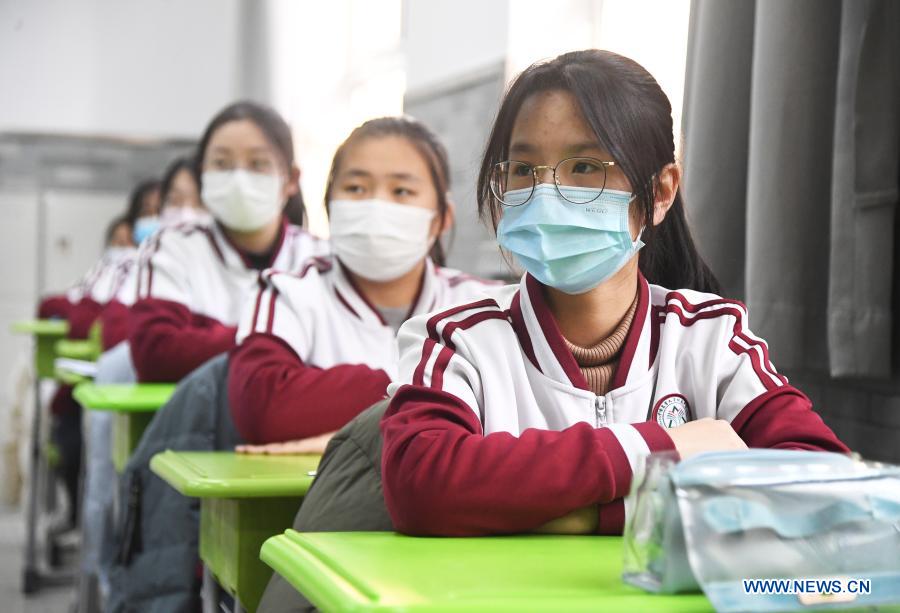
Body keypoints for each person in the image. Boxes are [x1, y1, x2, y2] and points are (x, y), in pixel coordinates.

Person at [380, 50, 849, 537]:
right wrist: (662, 448)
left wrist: (592, 515)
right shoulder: (458, 338)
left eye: (584, 167)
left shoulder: (711, 338)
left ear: (661, 192)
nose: (546, 194)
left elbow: (821, 482)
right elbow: (420, 483)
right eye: (522, 170)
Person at [229, 115, 498, 448]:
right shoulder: (287, 292)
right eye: (355, 188)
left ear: (441, 218)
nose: (376, 206)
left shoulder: (484, 304)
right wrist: (429, 388)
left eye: (402, 191)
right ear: (329, 206)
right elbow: (262, 406)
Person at [128, 101, 327, 383]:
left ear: (291, 179)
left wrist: (206, 333)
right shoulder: (170, 247)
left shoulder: (321, 257)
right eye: (221, 163)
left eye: (258, 164)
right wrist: (288, 333)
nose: (238, 179)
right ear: (202, 173)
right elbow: (156, 354)